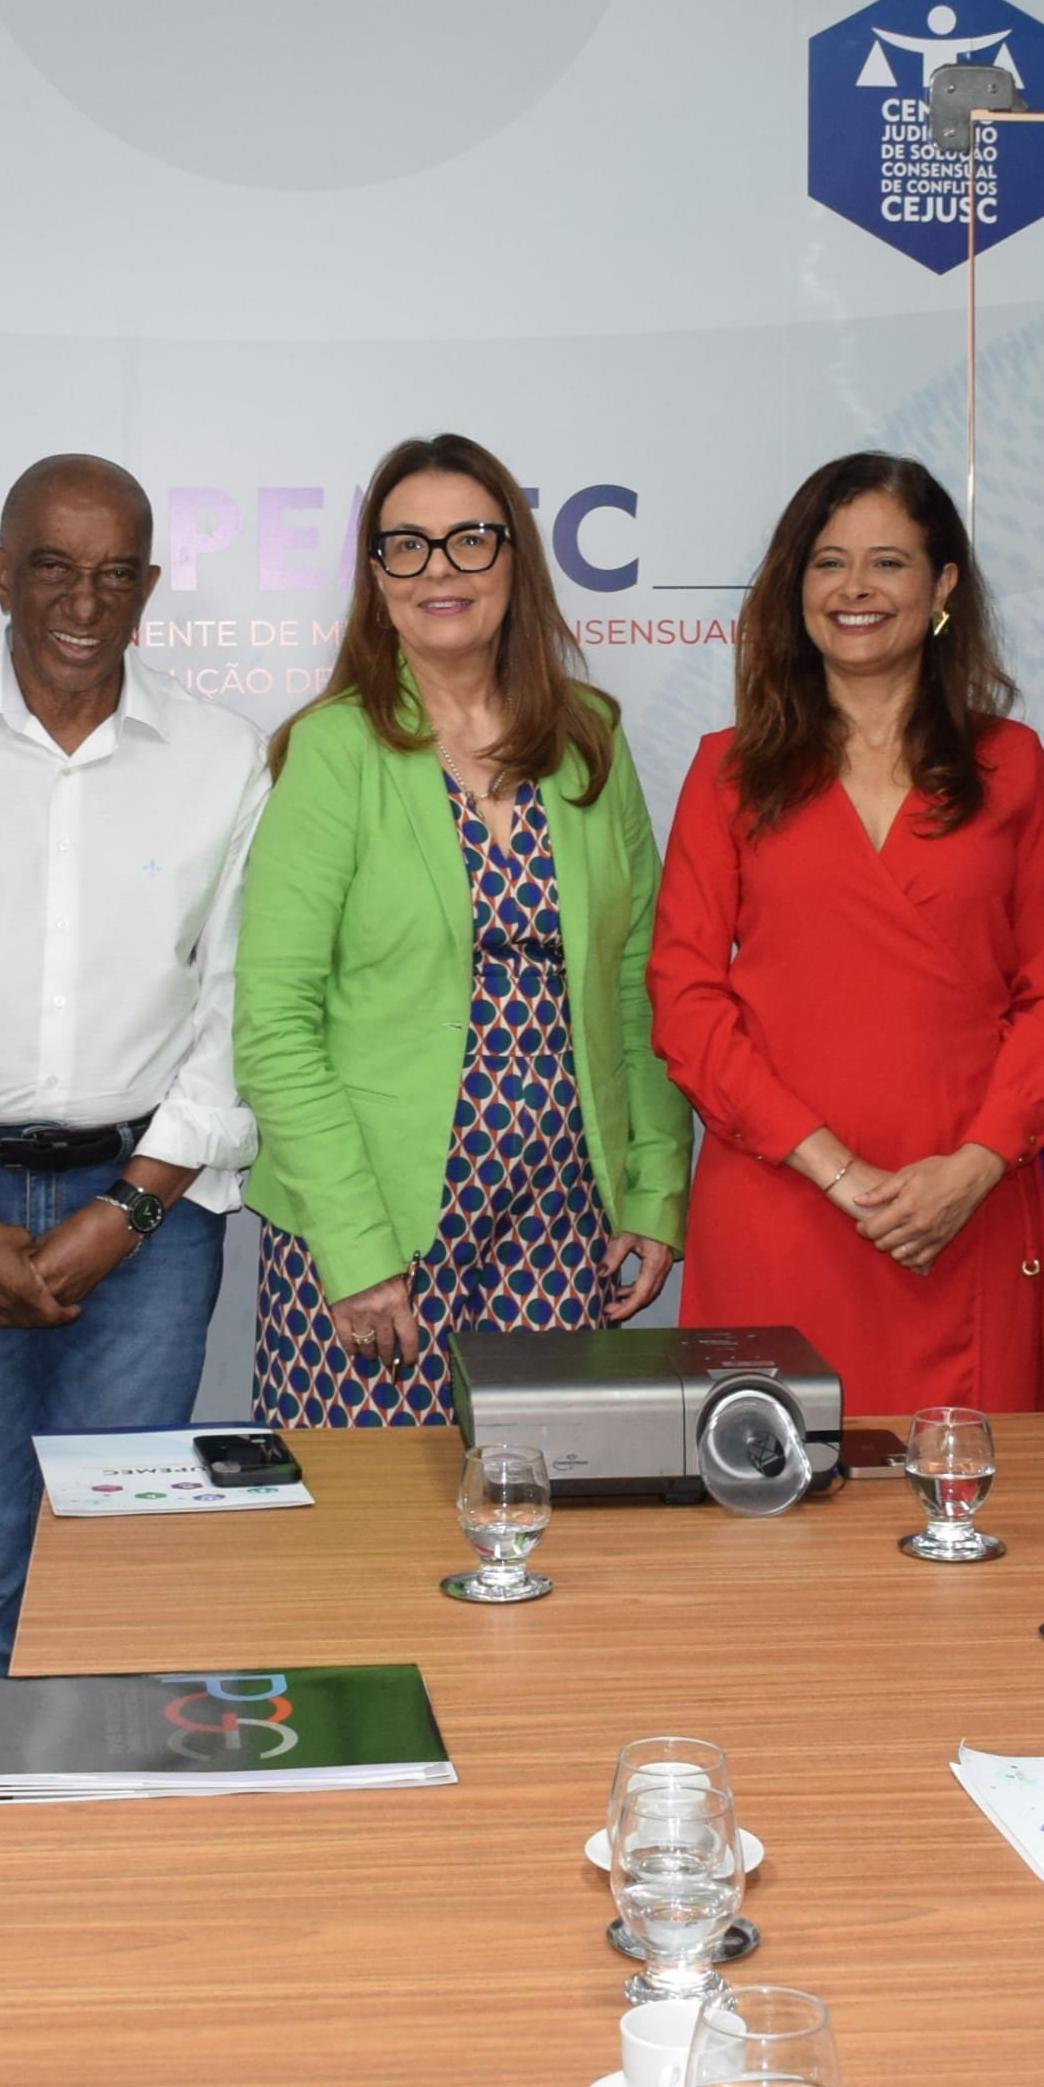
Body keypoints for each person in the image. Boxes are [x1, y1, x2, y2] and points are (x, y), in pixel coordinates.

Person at [0, 456, 265, 1932]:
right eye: (51, 565)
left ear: (150, 584)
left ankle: (98, 1928)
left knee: (115, 1581)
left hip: (145, 1217)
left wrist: (135, 1206)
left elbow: (237, 1014)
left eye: (115, 573)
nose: (82, 602)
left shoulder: (222, 757)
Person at [233, 432, 686, 1425]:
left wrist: (654, 1192)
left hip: (561, 1226)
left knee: (541, 1524)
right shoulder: (335, 750)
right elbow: (273, 1023)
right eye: (406, 545)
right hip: (374, 1230)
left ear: (515, 559)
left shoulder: (590, 742)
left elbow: (634, 983)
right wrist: (352, 1253)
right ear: (375, 574)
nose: (438, 569)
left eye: (469, 541)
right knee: (372, 1544)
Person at [650, 453, 1044, 1418]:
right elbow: (685, 1000)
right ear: (792, 588)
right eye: (827, 562)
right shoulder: (727, 771)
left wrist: (973, 1166)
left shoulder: (1011, 767)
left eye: (887, 562)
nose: (854, 589)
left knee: (963, 1526)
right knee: (768, 1521)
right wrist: (834, 1169)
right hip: (781, 1200)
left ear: (940, 587)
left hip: (962, 1208)